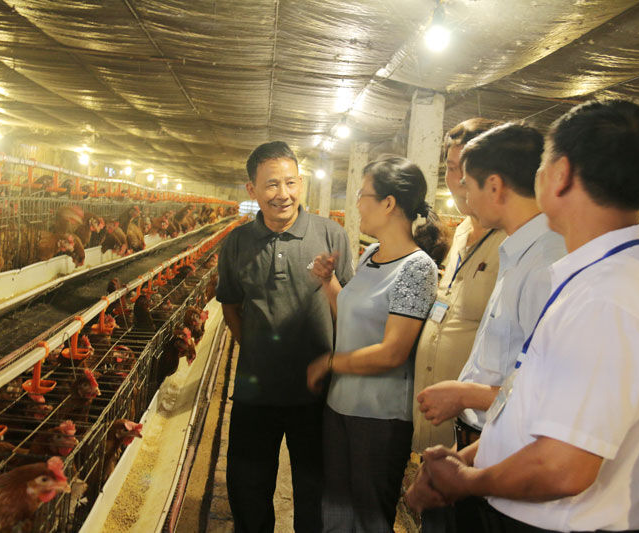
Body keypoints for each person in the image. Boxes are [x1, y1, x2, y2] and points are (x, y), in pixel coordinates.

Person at [407, 99, 639, 532]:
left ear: (560, 175)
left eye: (542, 164)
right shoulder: (603, 276)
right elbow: (537, 401)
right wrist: (472, 456)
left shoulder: (608, 297)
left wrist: (467, 482)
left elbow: (563, 468)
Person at [216, 141, 354, 533]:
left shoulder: (331, 235)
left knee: (315, 491)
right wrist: (253, 349)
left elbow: (349, 309)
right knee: (248, 489)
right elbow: (231, 305)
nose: (283, 194)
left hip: (317, 394)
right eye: (272, 184)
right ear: (252, 189)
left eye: (291, 182)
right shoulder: (237, 243)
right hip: (255, 393)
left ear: (301, 183)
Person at [305, 156, 441, 532]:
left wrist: (329, 363)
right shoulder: (370, 254)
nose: (357, 204)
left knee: (367, 520)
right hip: (340, 407)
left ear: (388, 203)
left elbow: (392, 352)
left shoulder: (417, 268)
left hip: (379, 419)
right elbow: (352, 315)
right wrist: (328, 282)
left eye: (363, 194)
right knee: (335, 513)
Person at [415, 123, 565, 446]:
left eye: (468, 184)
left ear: (494, 187)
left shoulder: (545, 265)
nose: (465, 196)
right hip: (485, 438)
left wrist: (466, 395)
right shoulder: (518, 252)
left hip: (509, 443)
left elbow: (552, 392)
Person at [413, 118, 505, 453]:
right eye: (452, 168)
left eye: (467, 169)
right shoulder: (462, 231)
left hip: (474, 435)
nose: (459, 181)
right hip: (433, 422)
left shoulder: (512, 243)